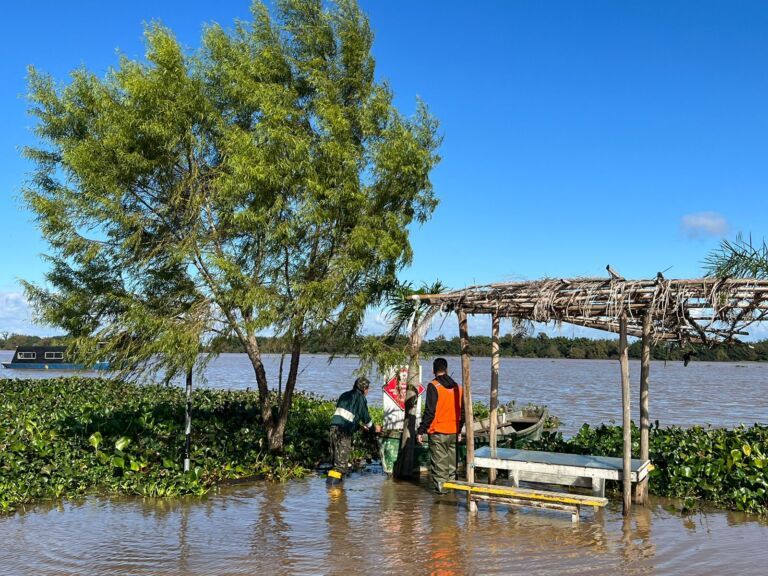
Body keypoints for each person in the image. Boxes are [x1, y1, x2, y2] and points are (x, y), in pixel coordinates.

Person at [416, 357, 464, 494]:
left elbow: (430, 412)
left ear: (433, 371)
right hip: (454, 432)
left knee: (440, 469)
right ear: (447, 370)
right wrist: (459, 430)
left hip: (438, 433)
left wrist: (421, 431)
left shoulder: (433, 386)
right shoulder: (458, 388)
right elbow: (463, 412)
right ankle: (452, 501)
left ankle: (442, 502)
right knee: (451, 469)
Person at [328, 376, 381, 484]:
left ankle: (333, 495)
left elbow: (347, 417)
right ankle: (335, 496)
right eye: (368, 388)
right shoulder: (360, 398)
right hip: (344, 433)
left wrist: (359, 427)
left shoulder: (344, 395)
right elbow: (365, 417)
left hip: (333, 429)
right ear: (364, 389)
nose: (368, 391)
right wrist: (374, 429)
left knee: (336, 463)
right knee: (340, 466)